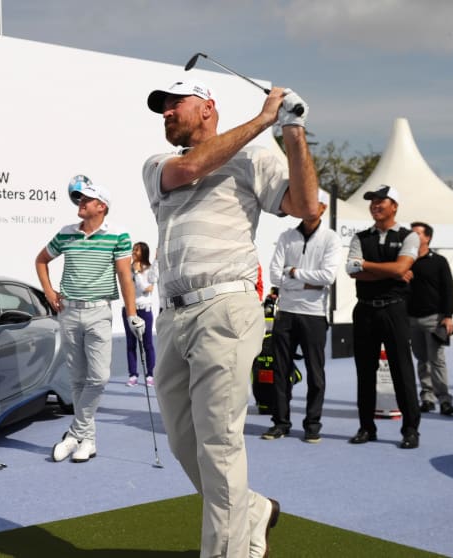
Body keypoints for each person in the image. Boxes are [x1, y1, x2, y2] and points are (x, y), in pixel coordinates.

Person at [143, 79, 319, 557]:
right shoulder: (159, 164)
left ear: (207, 108)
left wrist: (294, 130)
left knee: (219, 442)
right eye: (162, 108)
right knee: (184, 441)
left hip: (225, 306)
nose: (165, 114)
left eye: (174, 104)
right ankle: (254, 510)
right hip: (173, 314)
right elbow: (195, 165)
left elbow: (305, 207)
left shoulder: (257, 158)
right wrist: (265, 119)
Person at [35, 182, 141, 463]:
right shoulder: (66, 234)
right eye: (81, 199)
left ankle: (74, 433)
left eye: (88, 199)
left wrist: (132, 313)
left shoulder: (118, 236)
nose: (81, 202)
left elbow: (124, 276)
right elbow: (41, 260)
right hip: (69, 312)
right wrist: (48, 291)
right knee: (78, 380)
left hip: (98, 313)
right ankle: (88, 441)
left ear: (101, 206)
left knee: (99, 378)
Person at [345, 185, 421, 449]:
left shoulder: (408, 236)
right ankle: (367, 427)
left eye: (381, 201)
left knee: (402, 369)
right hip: (365, 308)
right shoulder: (360, 237)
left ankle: (410, 429)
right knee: (364, 371)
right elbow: (352, 270)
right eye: (373, 202)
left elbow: (402, 266)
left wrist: (368, 266)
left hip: (394, 308)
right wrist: (391, 271)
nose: (375, 205)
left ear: (394, 206)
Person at [264, 190, 341, 443]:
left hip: (314, 315)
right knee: (280, 370)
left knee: (315, 373)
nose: (309, 209)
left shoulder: (330, 239)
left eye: (314, 204)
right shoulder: (287, 236)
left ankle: (312, 424)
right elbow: (275, 276)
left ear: (322, 208)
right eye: (304, 203)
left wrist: (293, 273)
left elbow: (328, 277)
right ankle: (281, 423)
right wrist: (306, 281)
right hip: (286, 313)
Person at [407, 221, 453, 416]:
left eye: (417, 234)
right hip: (411, 319)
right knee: (421, 359)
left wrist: (448, 316)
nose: (412, 237)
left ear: (427, 238)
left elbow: (449, 290)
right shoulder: (406, 260)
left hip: (434, 318)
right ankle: (427, 398)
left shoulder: (439, 261)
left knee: (436, 359)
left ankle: (444, 399)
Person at [124, 241, 157, 387]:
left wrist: (137, 273)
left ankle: (150, 374)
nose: (133, 252)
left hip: (145, 310)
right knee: (131, 344)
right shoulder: (127, 270)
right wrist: (132, 271)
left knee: (147, 343)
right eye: (133, 250)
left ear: (143, 252)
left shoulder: (149, 270)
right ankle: (133, 375)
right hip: (130, 309)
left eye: (136, 250)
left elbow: (148, 289)